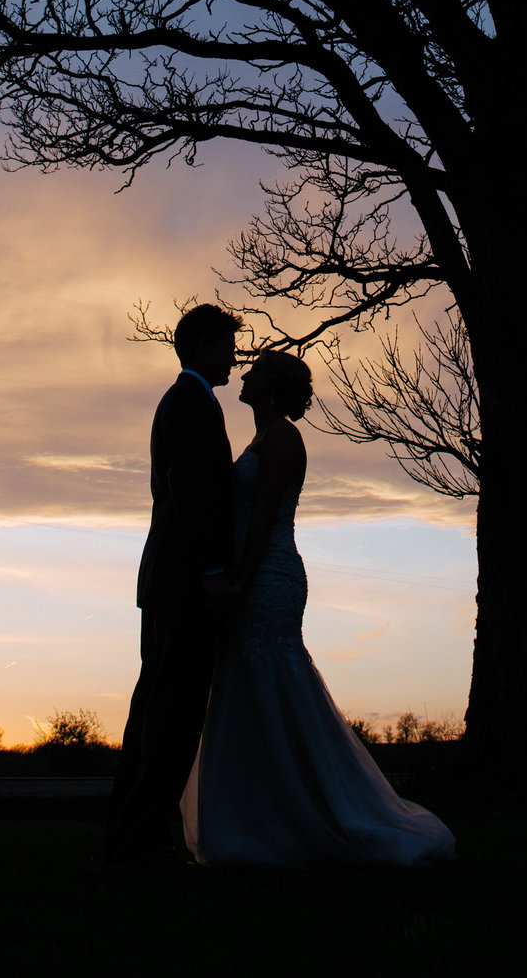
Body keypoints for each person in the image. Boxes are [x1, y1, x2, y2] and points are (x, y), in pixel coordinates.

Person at [181, 347, 456, 867]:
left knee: (274, 679)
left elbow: (263, 517)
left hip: (268, 576)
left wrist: (240, 582)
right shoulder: (259, 439)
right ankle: (259, 815)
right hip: (250, 571)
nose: (245, 374)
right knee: (243, 685)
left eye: (256, 370)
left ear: (275, 387)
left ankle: (313, 813)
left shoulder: (284, 438)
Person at [106, 301, 242, 864]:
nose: (234, 355)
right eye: (227, 344)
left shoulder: (189, 402)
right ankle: (143, 837)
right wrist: (212, 574)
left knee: (158, 706)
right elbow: (191, 499)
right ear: (204, 345)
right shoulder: (190, 405)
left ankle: (135, 831)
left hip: (169, 577)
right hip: (182, 581)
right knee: (173, 710)